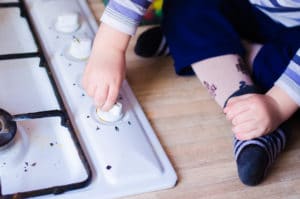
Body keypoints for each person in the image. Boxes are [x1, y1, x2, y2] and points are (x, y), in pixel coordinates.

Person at [82, 0, 300, 186]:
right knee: (184, 5)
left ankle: (259, 124)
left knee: (273, 71)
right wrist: (108, 47)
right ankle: (204, 47)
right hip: (251, 10)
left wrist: (277, 105)